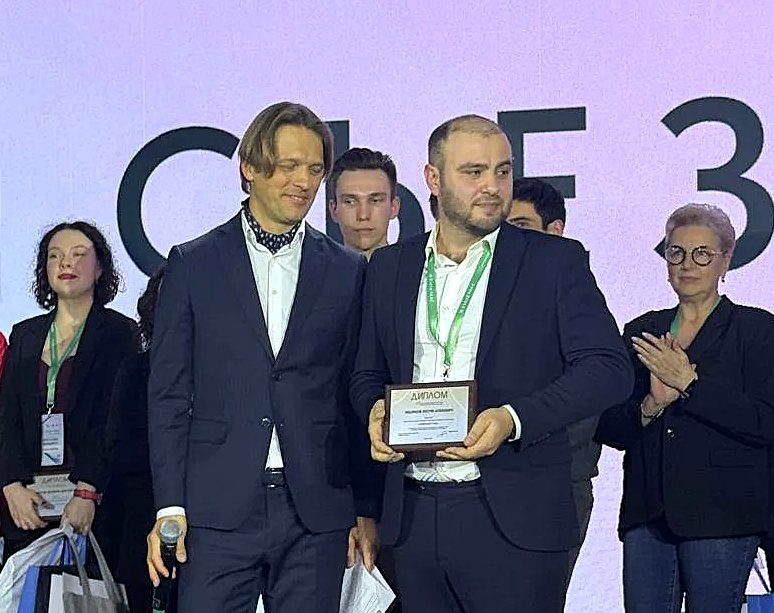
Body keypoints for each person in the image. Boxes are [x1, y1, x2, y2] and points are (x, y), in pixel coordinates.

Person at [350, 114, 633, 613]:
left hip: (514, 516)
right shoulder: (391, 266)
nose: (493, 187)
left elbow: (608, 369)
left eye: (503, 171)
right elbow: (366, 373)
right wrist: (375, 409)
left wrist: (513, 419)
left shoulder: (554, 261)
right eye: (474, 172)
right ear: (433, 179)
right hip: (410, 519)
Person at [146, 101, 380, 613]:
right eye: (288, 165)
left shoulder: (347, 270)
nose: (304, 181)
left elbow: (353, 392)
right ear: (249, 168)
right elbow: (167, 395)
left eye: (314, 169)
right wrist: (169, 505)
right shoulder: (194, 263)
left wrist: (363, 506)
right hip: (215, 508)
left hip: (316, 509)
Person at [595, 203, 774, 613]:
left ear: (725, 261)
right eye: (676, 252)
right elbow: (607, 425)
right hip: (648, 513)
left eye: (702, 254)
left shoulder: (757, 330)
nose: (687, 263)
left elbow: (765, 422)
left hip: (723, 515)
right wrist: (651, 405)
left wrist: (690, 385)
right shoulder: (642, 331)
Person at [0, 221, 138, 561]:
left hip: (94, 505)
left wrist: (88, 489)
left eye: (79, 254)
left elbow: (114, 419)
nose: (66, 263)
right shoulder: (25, 334)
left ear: (100, 267)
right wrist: (11, 485)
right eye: (55, 255)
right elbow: (7, 417)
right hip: (29, 505)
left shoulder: (120, 333)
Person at [504, 177, 599, 580]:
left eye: (522, 226)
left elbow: (591, 388)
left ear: (555, 231)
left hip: (557, 481)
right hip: (491, 483)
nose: (510, 238)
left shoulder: (574, 294)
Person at [101, 265, 166, 613]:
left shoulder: (226, 374)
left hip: (215, 536)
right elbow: (118, 451)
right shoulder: (135, 370)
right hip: (141, 525)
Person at [329, 147, 400, 260]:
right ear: (334, 210)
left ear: (394, 208)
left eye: (375, 201)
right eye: (350, 202)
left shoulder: (418, 270)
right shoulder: (311, 271)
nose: (363, 216)